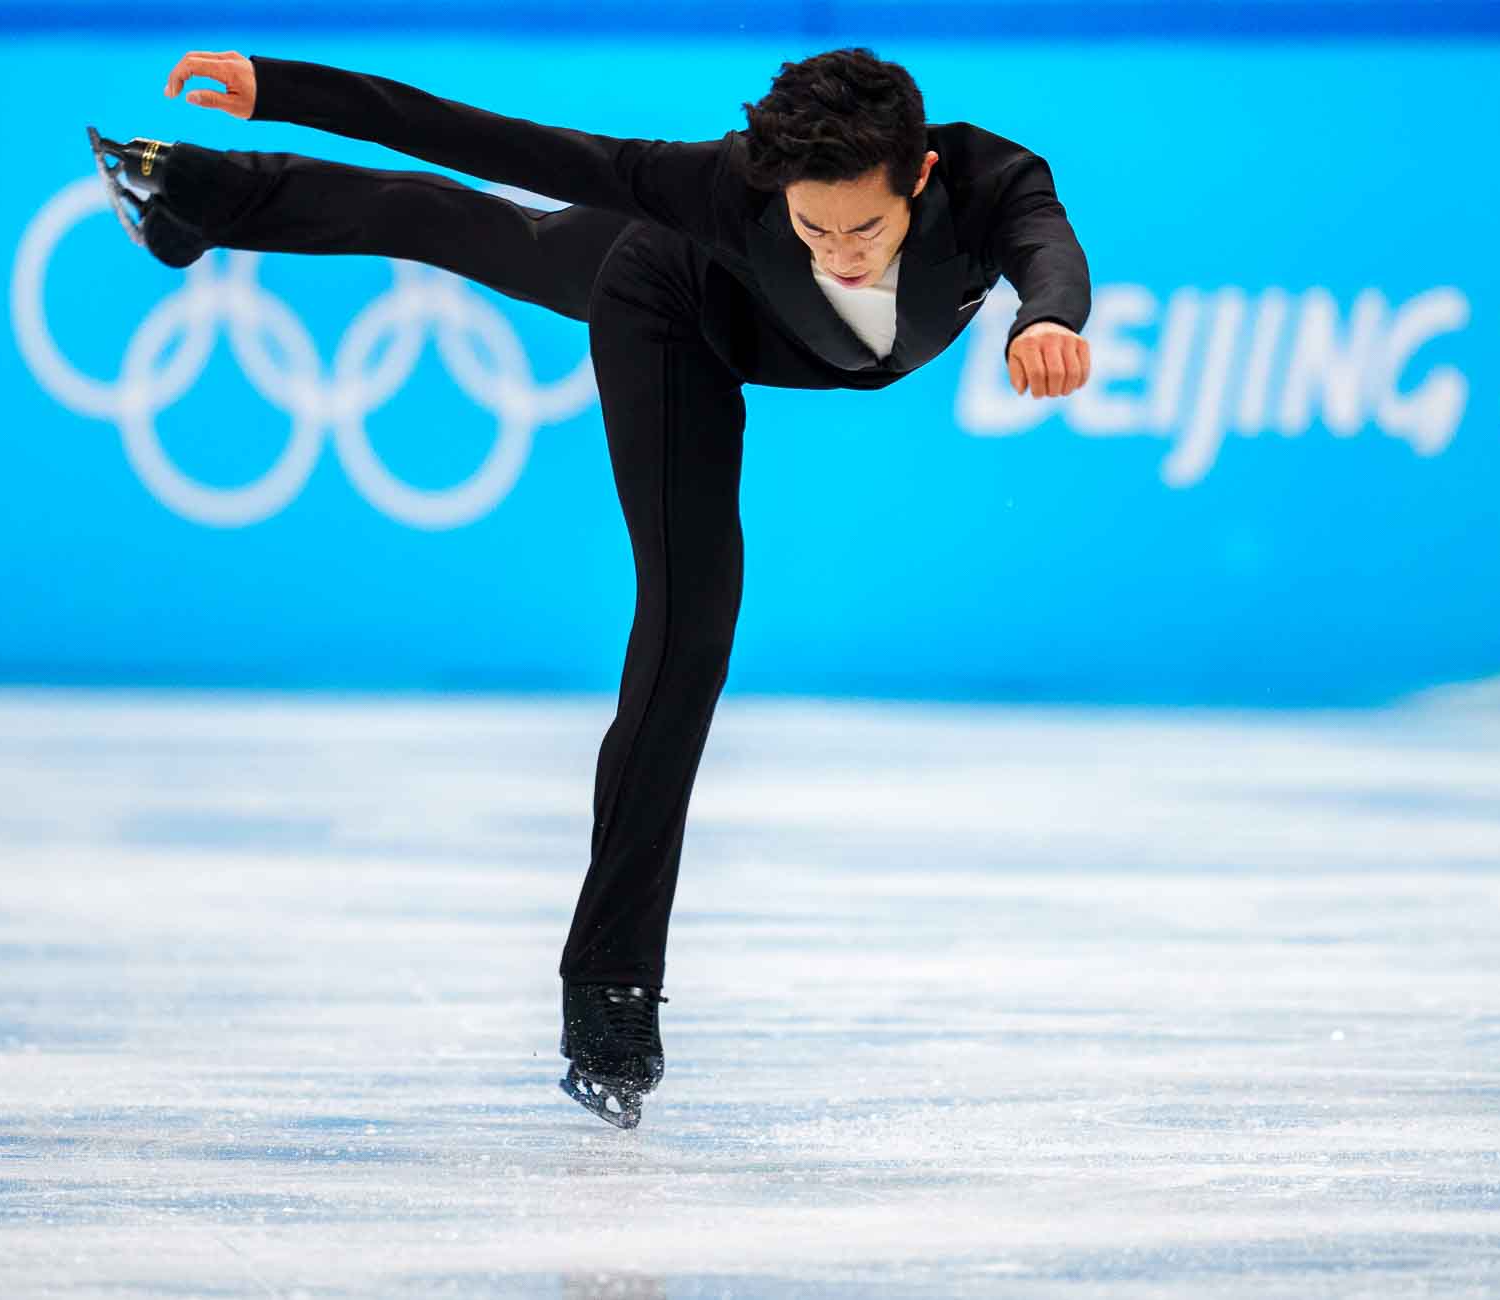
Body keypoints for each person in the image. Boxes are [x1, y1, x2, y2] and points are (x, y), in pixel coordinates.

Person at [88, 45, 1092, 1130]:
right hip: (672, 302)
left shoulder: (996, 182)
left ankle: (189, 193)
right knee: (690, 627)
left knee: (480, 232)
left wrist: (1047, 322)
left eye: (866, 228)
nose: (841, 255)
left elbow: (1052, 256)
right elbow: (506, 143)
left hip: (731, 287)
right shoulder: (723, 184)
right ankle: (609, 987)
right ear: (772, 192)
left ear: (923, 176)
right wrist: (284, 89)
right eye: (813, 228)